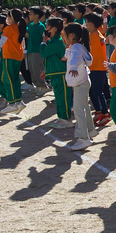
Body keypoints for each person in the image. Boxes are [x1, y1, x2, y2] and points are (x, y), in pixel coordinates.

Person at [62, 22, 94, 150]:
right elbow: (73, 56)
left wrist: (73, 67)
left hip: (80, 82)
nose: (64, 38)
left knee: (79, 110)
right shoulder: (77, 47)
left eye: (65, 35)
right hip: (82, 82)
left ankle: (83, 138)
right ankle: (90, 130)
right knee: (84, 107)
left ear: (72, 35)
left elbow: (75, 58)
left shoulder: (76, 48)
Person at [41, 17, 71, 128]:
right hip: (54, 73)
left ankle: (66, 118)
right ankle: (61, 117)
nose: (46, 29)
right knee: (58, 97)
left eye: (47, 26)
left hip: (61, 73)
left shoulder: (57, 42)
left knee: (63, 97)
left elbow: (44, 53)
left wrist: (43, 43)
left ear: (53, 29)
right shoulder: (53, 41)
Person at [25, 7, 47, 97]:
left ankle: (43, 85)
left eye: (30, 13)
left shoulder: (41, 26)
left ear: (36, 15)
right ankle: (37, 85)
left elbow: (44, 37)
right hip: (30, 49)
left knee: (37, 68)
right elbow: (28, 36)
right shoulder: (30, 26)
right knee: (31, 69)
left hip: (37, 51)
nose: (29, 15)